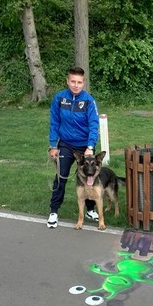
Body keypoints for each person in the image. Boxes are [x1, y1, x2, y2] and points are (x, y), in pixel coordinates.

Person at [47, 66, 100, 228]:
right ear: (67, 81)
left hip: (85, 147)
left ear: (84, 82)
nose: (76, 85)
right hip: (66, 145)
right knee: (61, 177)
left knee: (89, 177)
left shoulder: (89, 101)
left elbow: (94, 125)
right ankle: (54, 211)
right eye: (73, 82)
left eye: (79, 82)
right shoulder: (59, 99)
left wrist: (90, 146)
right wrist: (53, 145)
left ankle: (90, 209)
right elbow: (54, 122)